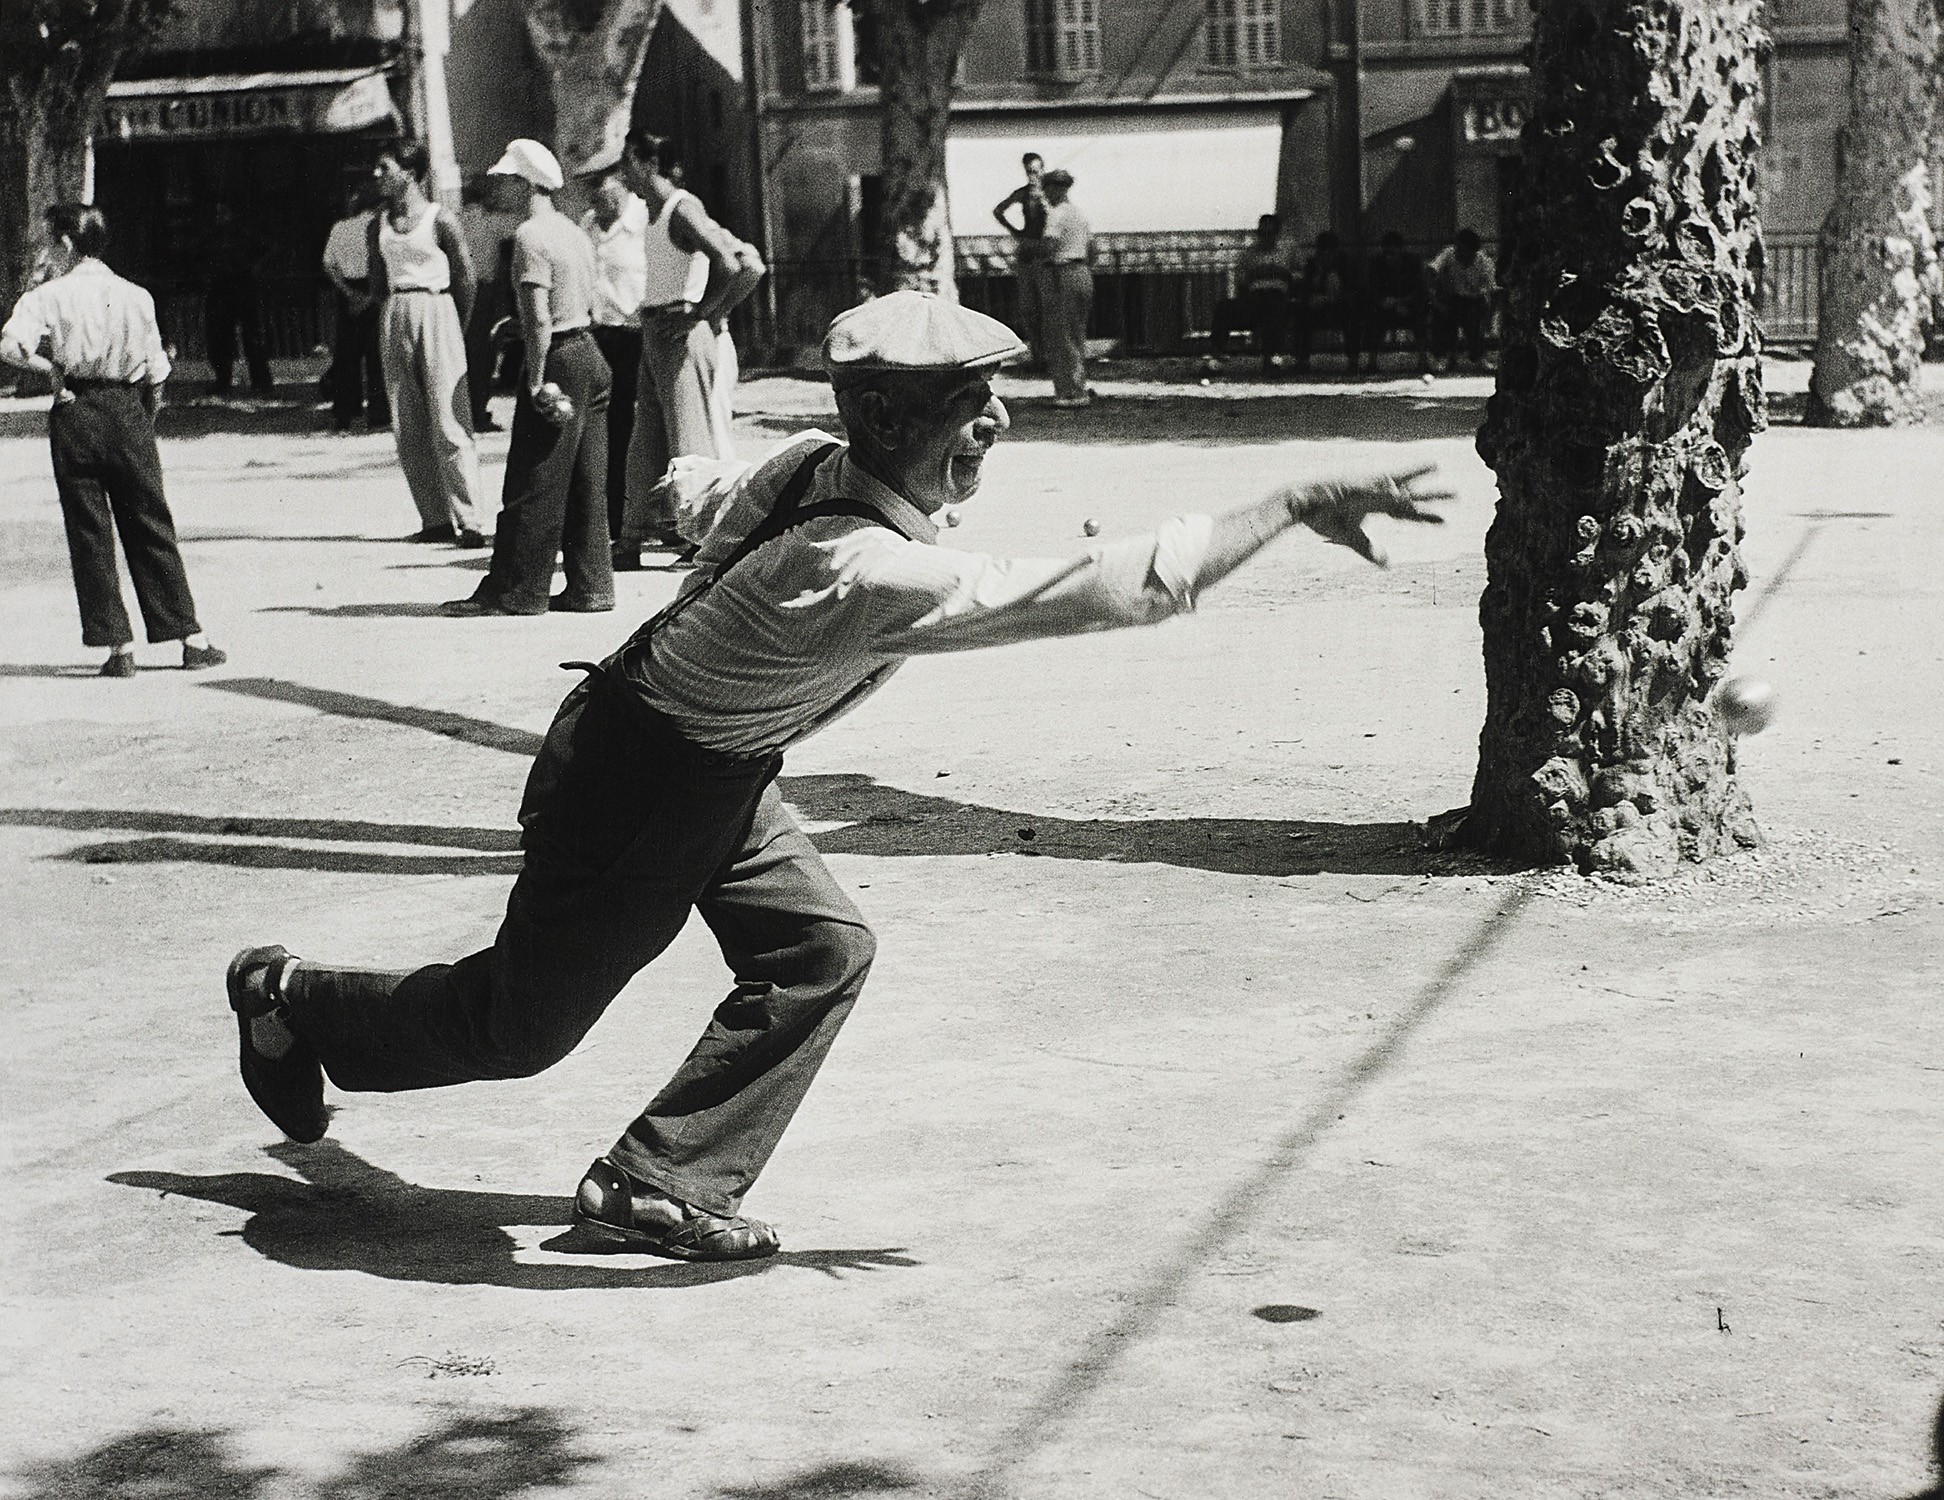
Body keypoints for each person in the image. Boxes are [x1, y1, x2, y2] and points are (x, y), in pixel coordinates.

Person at [219, 288, 1449, 1263]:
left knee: (818, 950)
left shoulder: (819, 462)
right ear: (897, 423)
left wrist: (691, 494)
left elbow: (715, 503)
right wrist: (1292, 497)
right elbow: (1122, 591)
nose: (1001, 423)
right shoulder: (862, 571)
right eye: (974, 404)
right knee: (517, 1029)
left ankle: (661, 1180)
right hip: (636, 779)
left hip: (709, 763)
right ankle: (289, 995)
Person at [0, 204, 227, 677]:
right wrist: (143, 420)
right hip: (127, 411)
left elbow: (10, 346)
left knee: (89, 531)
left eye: (50, 241)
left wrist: (51, 371)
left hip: (75, 410)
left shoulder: (46, 297)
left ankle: (117, 648)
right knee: (150, 521)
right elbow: (156, 372)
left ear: (65, 243)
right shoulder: (135, 295)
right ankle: (190, 637)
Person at [443, 141, 613, 618]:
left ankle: (518, 591)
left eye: (504, 180)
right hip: (590, 356)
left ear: (524, 184)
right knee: (585, 481)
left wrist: (536, 378)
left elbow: (540, 319)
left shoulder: (529, 238)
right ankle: (591, 587)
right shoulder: (575, 233)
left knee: (532, 478)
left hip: (557, 358)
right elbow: (590, 305)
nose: (498, 189)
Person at [612, 131, 764, 567]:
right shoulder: (655, 213)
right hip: (656, 328)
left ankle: (709, 539)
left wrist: (703, 312)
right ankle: (632, 537)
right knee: (646, 441)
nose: (623, 172)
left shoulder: (683, 208)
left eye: (627, 161)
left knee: (690, 442)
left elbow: (739, 264)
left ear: (646, 161)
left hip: (680, 331)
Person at [367, 140, 487, 546]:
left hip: (437, 309)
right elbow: (377, 282)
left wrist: (456, 325)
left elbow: (466, 277)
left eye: (385, 168)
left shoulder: (441, 220)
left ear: (411, 172)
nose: (377, 176)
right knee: (408, 422)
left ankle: (469, 520)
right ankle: (434, 518)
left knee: (449, 420)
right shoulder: (377, 225)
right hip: (396, 310)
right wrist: (391, 320)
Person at [580, 164, 649, 554]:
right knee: (602, 428)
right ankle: (607, 515)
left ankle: (635, 516)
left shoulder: (642, 218)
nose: (592, 196)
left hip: (635, 334)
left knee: (632, 428)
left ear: (619, 181)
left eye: (598, 184)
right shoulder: (589, 223)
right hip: (599, 334)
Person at [320, 185, 390, 432]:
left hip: (347, 290)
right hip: (374, 289)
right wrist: (371, 297)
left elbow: (328, 264)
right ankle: (379, 411)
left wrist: (349, 293)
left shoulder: (340, 228)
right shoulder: (382, 228)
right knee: (376, 353)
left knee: (346, 354)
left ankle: (345, 411)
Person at [458, 175, 519, 431]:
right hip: (484, 290)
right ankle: (477, 411)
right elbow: (517, 228)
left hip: (458, 289)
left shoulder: (456, 219)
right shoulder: (491, 220)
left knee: (465, 353)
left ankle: (465, 410)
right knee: (483, 352)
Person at [201, 203, 275, 394]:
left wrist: (255, 269)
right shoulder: (212, 237)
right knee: (219, 336)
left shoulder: (244, 234)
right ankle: (222, 379)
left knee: (253, 336)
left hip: (243, 285)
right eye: (217, 213)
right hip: (219, 287)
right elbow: (202, 258)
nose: (220, 217)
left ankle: (261, 380)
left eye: (223, 212)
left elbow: (268, 250)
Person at [1210, 214, 1295, 372]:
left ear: (1277, 233)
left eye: (1270, 233)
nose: (1265, 238)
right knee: (1223, 307)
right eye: (1262, 233)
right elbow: (1242, 284)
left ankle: (1274, 356)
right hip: (1255, 300)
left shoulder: (1287, 253)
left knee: (1275, 306)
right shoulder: (1248, 255)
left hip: (1279, 299)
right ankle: (1216, 358)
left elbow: (1296, 280)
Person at [1038, 168, 1093, 407]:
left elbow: (1048, 246)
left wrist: (1033, 252)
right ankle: (1079, 384)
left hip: (1062, 272)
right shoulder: (1079, 214)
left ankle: (1070, 392)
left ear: (1054, 189)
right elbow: (1093, 249)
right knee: (1076, 333)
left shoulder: (1056, 214)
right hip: (1082, 271)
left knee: (1060, 334)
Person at [991, 152, 1049, 366]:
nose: (1032, 175)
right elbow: (998, 210)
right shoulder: (1023, 194)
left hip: (1045, 255)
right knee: (1029, 308)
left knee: (1047, 307)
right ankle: (1037, 355)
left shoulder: (1048, 194)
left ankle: (1049, 357)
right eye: (1029, 172)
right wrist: (1016, 232)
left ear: (1042, 170)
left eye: (1036, 171)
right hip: (1027, 254)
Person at [1427, 227, 1497, 370]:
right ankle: (1443, 357)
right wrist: (1437, 295)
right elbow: (1431, 271)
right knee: (1442, 316)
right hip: (1452, 299)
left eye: (1463, 250)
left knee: (1474, 320)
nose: (1459, 253)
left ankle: (1478, 357)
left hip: (1474, 300)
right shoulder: (1449, 254)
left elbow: (1493, 290)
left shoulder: (1485, 262)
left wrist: (1490, 315)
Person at [1361, 230, 1430, 374]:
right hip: (1384, 307)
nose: (1391, 257)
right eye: (1388, 254)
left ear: (1401, 251)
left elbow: (1420, 289)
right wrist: (1385, 302)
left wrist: (1402, 302)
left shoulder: (1413, 262)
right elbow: (1371, 290)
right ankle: (1372, 362)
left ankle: (1424, 360)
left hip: (1409, 306)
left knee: (1420, 314)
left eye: (1395, 253)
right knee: (1372, 316)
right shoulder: (1376, 263)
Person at [1292, 230, 1361, 373]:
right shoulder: (1312, 265)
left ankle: (1353, 360)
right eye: (1323, 252)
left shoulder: (1346, 264)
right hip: (1317, 307)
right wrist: (1312, 298)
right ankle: (1302, 360)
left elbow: (1352, 290)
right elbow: (1305, 289)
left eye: (1329, 252)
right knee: (1301, 314)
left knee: (1352, 314)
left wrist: (1331, 298)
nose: (1326, 255)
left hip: (1340, 306)